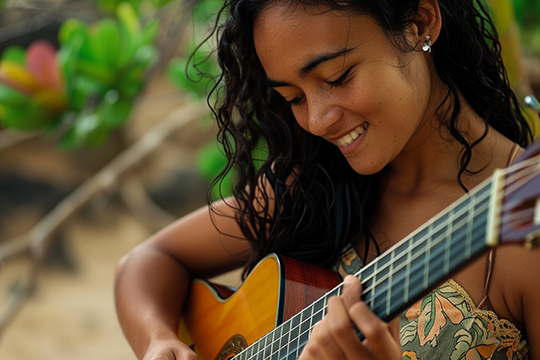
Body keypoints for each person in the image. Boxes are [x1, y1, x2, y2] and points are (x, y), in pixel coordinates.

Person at [114, 0, 540, 358]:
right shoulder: (313, 186)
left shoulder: (525, 238)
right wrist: (157, 339)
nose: (317, 121)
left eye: (338, 78)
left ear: (420, 24)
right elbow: (148, 261)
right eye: (294, 98)